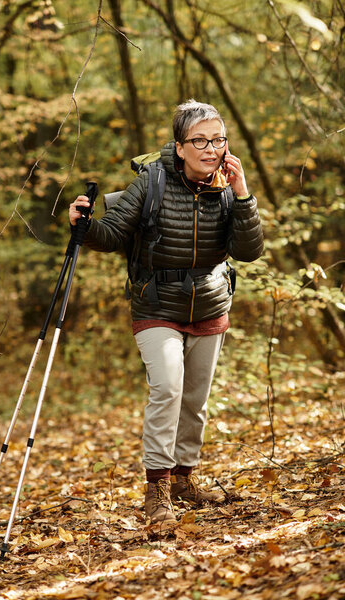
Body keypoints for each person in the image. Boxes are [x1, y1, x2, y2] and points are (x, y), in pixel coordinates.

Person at [69, 99, 263, 526]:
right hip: (156, 304)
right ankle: (156, 488)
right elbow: (113, 233)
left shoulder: (230, 188)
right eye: (199, 140)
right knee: (169, 387)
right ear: (179, 146)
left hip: (211, 303)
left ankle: (184, 479)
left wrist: (243, 191)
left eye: (218, 139)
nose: (210, 148)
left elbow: (249, 252)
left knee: (195, 401)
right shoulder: (152, 183)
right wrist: (83, 225)